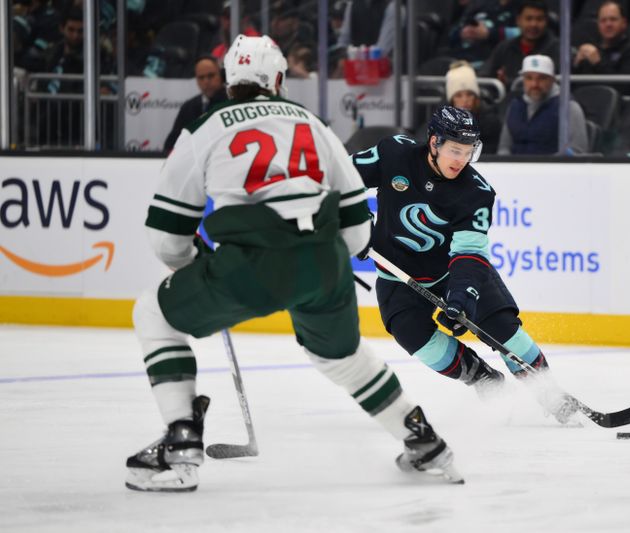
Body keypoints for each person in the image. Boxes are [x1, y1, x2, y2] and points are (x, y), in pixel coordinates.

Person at [125, 34, 461, 492]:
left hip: (250, 263)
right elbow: (357, 230)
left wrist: (194, 265)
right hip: (325, 262)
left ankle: (181, 444)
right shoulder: (315, 124)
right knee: (341, 358)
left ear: (229, 81)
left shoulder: (204, 128)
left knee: (153, 313)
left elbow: (166, 237)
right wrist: (316, 268)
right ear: (278, 78)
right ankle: (424, 441)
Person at [351, 105, 579, 423]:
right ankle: (484, 378)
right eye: (455, 150)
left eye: (468, 151)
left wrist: (462, 298)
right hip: (397, 276)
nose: (461, 160)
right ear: (434, 143)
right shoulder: (394, 154)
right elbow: (341, 178)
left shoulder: (476, 192)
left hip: (449, 272)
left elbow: (469, 254)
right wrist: (353, 221)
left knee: (505, 332)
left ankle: (551, 394)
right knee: (417, 340)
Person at [497, 55, 588, 155]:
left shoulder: (569, 108)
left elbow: (577, 151)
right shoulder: (514, 106)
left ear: (552, 79)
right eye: (529, 78)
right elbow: (504, 147)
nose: (534, 84)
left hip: (553, 168)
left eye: (542, 78)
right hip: (514, 168)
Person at [480, 0, 558, 89]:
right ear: (518, 20)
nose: (534, 24)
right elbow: (484, 76)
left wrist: (509, 82)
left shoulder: (557, 48)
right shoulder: (505, 47)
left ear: (546, 21)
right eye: (529, 19)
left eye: (539, 19)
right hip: (507, 101)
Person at [163, 56, 227, 153]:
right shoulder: (188, 107)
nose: (206, 81)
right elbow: (170, 145)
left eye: (211, 76)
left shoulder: (232, 102)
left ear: (222, 76)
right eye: (201, 78)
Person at [572, 1, 630, 78]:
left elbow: (624, 87)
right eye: (603, 20)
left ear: (624, 23)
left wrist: (598, 63)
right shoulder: (593, 51)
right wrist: (576, 64)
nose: (608, 24)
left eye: (613, 19)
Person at [445, 61, 502, 154]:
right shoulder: (442, 122)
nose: (465, 100)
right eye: (458, 95)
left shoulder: (490, 121)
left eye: (469, 94)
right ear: (452, 100)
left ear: (476, 97)